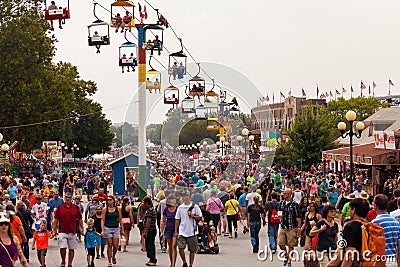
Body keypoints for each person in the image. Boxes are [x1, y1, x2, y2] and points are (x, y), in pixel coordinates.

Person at [327, 198, 369, 267]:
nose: (349, 211)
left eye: (349, 209)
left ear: (353, 210)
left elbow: (349, 255)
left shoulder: (351, 226)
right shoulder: (369, 226)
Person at [53, 192, 84, 267]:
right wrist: (54, 230)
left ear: (71, 199)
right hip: (62, 231)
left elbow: (80, 219)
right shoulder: (60, 208)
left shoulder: (76, 208)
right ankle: (63, 260)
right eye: (66, 197)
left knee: (71, 248)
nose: (67, 199)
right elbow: (56, 219)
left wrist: (82, 228)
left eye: (69, 197)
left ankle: (70, 263)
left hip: (72, 231)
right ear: (64, 198)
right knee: (62, 247)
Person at [175, 191, 202, 267]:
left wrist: (192, 216)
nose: (185, 197)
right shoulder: (180, 207)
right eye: (183, 196)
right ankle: (184, 262)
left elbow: (200, 217)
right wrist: (176, 231)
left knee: (192, 250)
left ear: (189, 197)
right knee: (180, 247)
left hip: (192, 231)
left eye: (186, 196)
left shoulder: (195, 206)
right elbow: (177, 219)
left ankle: (191, 264)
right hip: (182, 230)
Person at [372, 194, 400, 267]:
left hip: (380, 260)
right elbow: (399, 246)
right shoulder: (396, 223)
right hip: (393, 260)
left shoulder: (374, 223)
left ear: (375, 206)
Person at [278, 188, 301, 267]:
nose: (283, 194)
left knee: (291, 245)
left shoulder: (295, 204)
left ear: (290, 194)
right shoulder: (282, 203)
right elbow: (279, 212)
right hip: (283, 225)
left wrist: (299, 228)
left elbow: (298, 217)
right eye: (283, 193)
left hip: (292, 226)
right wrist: (279, 217)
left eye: (285, 193)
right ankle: (286, 255)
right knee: (281, 244)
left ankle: (289, 262)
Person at [101, 195, 123, 267]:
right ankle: (109, 261)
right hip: (108, 228)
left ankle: (113, 256)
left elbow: (120, 219)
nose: (109, 201)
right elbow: (103, 220)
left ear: (113, 200)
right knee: (110, 245)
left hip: (116, 228)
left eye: (110, 199)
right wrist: (103, 230)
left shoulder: (118, 209)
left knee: (115, 245)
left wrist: (122, 229)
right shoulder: (105, 209)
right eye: (108, 200)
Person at [160, 196, 177, 267]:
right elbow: (163, 221)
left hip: (175, 229)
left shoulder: (177, 209)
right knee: (170, 247)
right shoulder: (166, 210)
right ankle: (171, 261)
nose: (174, 201)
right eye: (172, 199)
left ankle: (173, 264)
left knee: (174, 246)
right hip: (168, 229)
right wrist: (161, 231)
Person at [142, 197, 157, 266]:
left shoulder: (149, 211)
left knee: (150, 245)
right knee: (150, 244)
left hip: (150, 230)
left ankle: (152, 259)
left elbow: (148, 222)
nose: (142, 204)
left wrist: (145, 231)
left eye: (143, 202)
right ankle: (151, 259)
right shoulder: (150, 209)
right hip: (152, 230)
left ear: (146, 203)